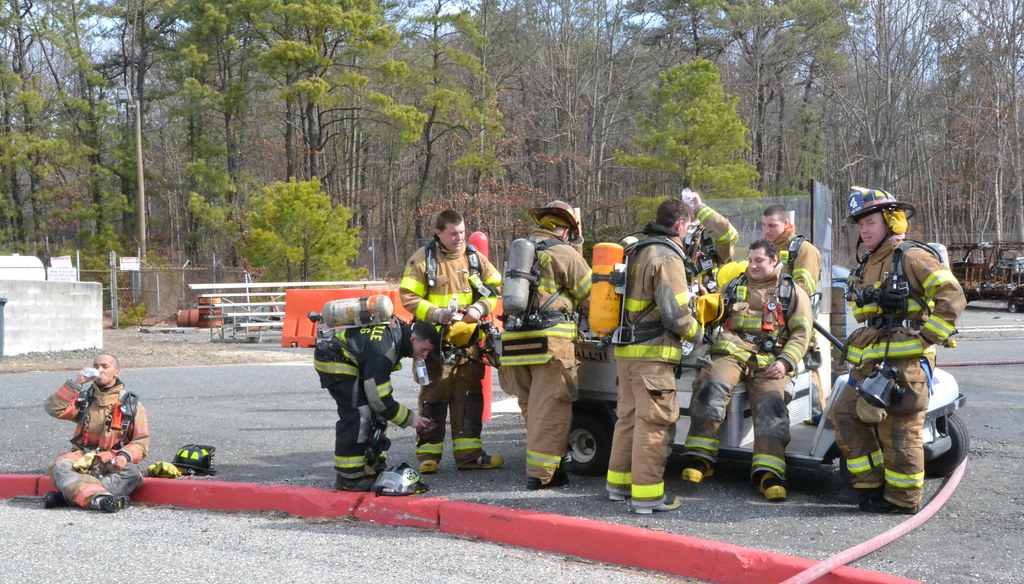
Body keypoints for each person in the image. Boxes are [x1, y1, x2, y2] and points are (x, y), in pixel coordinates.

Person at [833, 187, 965, 514]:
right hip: (871, 363)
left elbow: (952, 297)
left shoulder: (911, 256)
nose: (864, 230)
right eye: (861, 224)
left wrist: (923, 340)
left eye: (871, 222)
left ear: (892, 221)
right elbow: (866, 317)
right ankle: (869, 486)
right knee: (846, 414)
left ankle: (902, 500)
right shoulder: (869, 263)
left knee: (900, 431)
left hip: (905, 365)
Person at [680, 239, 812, 502]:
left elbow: (800, 334)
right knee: (710, 385)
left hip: (770, 362)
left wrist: (785, 362)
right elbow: (714, 314)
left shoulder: (791, 292)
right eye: (750, 260)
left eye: (759, 260)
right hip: (732, 354)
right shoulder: (734, 286)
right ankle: (701, 458)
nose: (752, 265)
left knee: (772, 404)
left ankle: (769, 472)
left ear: (774, 261)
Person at [605, 198, 703, 514]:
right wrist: (698, 334)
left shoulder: (638, 249)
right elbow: (674, 314)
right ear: (680, 225)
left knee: (629, 420)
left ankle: (619, 487)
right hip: (653, 356)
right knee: (655, 423)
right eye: (689, 227)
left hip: (628, 353)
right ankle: (648, 497)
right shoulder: (666, 256)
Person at [399, 209, 504, 474]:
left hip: (468, 342)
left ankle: (469, 455)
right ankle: (428, 456)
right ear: (439, 233)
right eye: (453, 233)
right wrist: (435, 313)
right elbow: (408, 296)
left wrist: (480, 308)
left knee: (469, 396)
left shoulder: (474, 258)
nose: (459, 238)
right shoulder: (424, 260)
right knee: (434, 396)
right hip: (434, 344)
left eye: (462, 232)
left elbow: (494, 288)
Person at [498, 200, 593, 490]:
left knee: (531, 409)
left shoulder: (519, 254)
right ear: (565, 231)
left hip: (514, 344)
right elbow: (592, 298)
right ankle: (541, 476)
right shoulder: (564, 253)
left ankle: (547, 464)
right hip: (549, 343)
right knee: (551, 410)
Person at [314, 319, 436, 491]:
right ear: (413, 339)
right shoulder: (385, 348)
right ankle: (349, 477)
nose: (424, 356)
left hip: (348, 356)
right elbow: (378, 398)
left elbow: (380, 401)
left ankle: (372, 466)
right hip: (335, 359)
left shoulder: (397, 336)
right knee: (359, 413)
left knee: (378, 414)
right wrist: (411, 419)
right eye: (424, 350)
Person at [42, 353, 149, 513]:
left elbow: (141, 442)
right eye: (96, 366)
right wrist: (76, 384)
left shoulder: (132, 405)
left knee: (132, 473)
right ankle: (100, 500)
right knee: (61, 467)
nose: (99, 370)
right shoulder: (84, 399)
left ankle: (68, 497)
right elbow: (54, 409)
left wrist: (125, 456)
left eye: (105, 367)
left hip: (112, 460)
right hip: (83, 458)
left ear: (116, 372)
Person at [762, 203, 825, 424]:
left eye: (772, 225)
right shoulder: (768, 250)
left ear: (787, 224)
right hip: (773, 322)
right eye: (764, 225)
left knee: (807, 363)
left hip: (796, 318)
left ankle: (817, 416)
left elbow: (803, 289)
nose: (767, 231)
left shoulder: (803, 250)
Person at [679, 189, 738, 292]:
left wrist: (700, 209)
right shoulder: (673, 234)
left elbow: (729, 236)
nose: (689, 206)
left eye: (693, 202)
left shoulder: (710, 233)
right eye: (685, 202)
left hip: (709, 298)